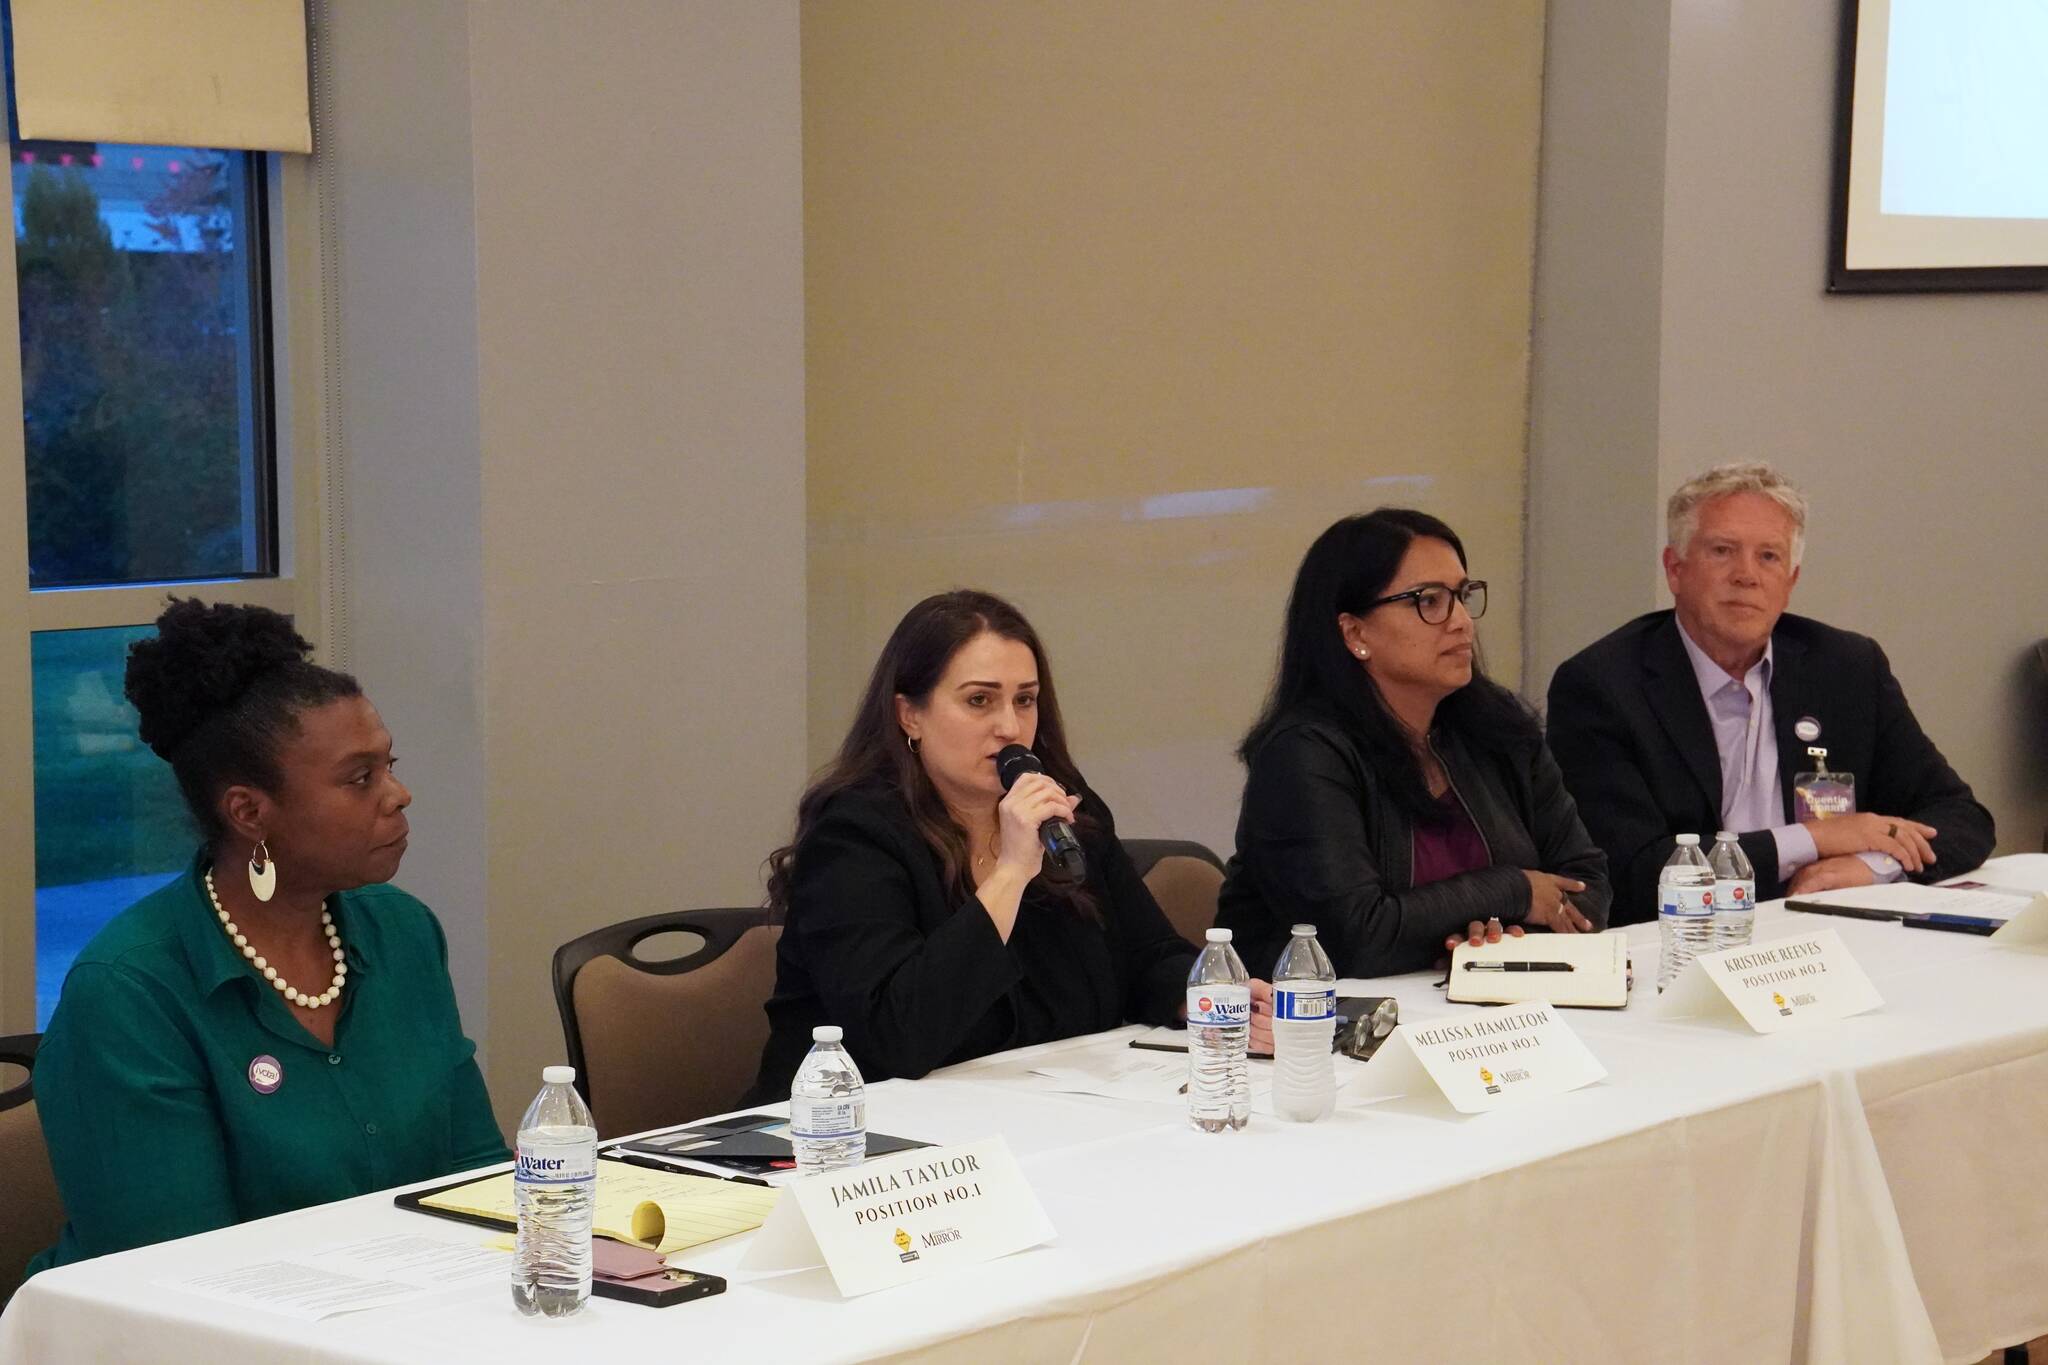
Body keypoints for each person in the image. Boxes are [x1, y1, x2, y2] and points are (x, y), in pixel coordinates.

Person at [27, 600, 506, 1278]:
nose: (399, 794)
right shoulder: (131, 991)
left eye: (389, 764)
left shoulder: (402, 930)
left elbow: (476, 1176)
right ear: (249, 811)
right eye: (359, 777)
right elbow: (177, 1276)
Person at [750, 590, 1272, 1100]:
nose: (1010, 727)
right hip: (853, 1143)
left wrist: (1202, 998)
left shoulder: (1068, 810)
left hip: (1033, 1118)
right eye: (980, 700)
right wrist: (1012, 872)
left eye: (1024, 700)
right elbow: (898, 1036)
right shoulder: (854, 836)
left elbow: (1146, 954)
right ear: (910, 715)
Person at [1545, 462, 1995, 921]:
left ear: (1791, 581)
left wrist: (1868, 865)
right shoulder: (1602, 686)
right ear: (1675, 570)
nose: (1746, 575)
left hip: (1825, 931)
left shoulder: (1846, 669)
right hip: (1684, 941)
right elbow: (1627, 874)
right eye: (1722, 551)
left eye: (1769, 557)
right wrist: (1814, 841)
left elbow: (1962, 818)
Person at [1215, 510, 1610, 978]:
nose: (1462, 621)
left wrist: (1494, 943)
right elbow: (1351, 938)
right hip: (1319, 1029)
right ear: (1355, 633)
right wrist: (1513, 892)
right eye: (1429, 600)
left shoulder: (1499, 729)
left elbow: (1588, 885)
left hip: (1485, 1012)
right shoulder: (1304, 755)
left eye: (1462, 596)